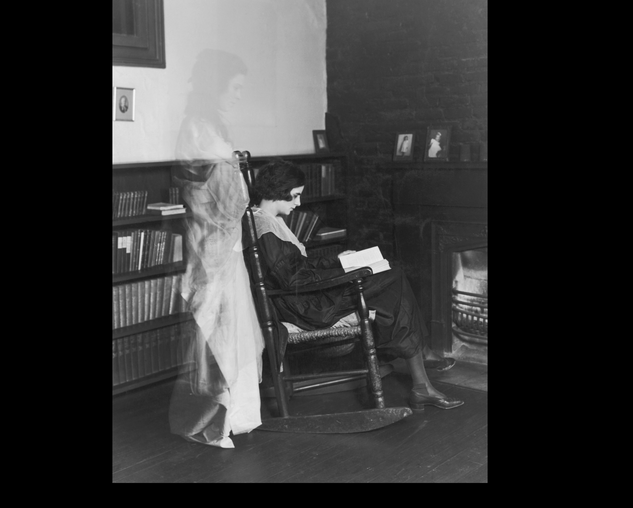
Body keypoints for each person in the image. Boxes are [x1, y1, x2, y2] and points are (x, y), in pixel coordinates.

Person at [247, 159, 464, 411]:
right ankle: (420, 366)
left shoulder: (269, 220)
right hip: (302, 306)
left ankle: (421, 374)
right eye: (295, 196)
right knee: (393, 277)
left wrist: (338, 260)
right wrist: (344, 272)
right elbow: (293, 279)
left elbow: (298, 266)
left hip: (303, 297)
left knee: (391, 278)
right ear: (277, 192)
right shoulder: (263, 227)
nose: (298, 203)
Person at [168, 50, 263, 449]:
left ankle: (234, 417)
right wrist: (241, 180)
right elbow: (229, 198)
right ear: (216, 85)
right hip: (210, 246)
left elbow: (234, 191)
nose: (239, 95)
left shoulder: (211, 128)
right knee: (216, 333)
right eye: (235, 87)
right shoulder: (199, 130)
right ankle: (209, 422)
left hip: (225, 245)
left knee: (232, 331)